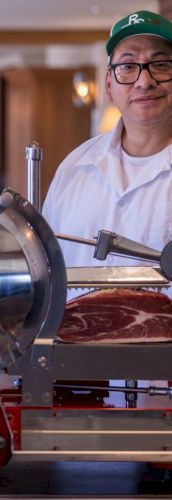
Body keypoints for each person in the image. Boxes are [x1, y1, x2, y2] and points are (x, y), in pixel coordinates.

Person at [42, 10, 171, 299]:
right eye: (127, 67)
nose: (144, 81)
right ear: (109, 86)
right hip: (75, 339)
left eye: (160, 64)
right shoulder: (74, 168)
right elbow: (45, 268)